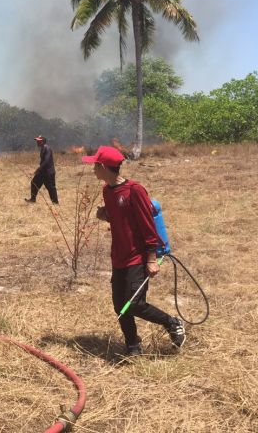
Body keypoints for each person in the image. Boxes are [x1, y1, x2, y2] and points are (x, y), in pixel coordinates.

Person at [82, 145, 185, 355]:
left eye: (95, 165)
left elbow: (147, 227)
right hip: (118, 255)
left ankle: (172, 323)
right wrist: (105, 215)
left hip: (137, 256)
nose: (93, 169)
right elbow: (120, 218)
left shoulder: (134, 191)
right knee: (120, 305)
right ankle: (133, 346)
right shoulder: (107, 190)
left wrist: (151, 258)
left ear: (103, 167)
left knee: (134, 303)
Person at [25, 135, 58, 205]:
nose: (37, 142)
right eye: (37, 141)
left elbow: (46, 161)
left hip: (48, 172)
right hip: (43, 172)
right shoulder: (43, 148)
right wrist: (39, 169)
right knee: (34, 183)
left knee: (51, 187)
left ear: (42, 142)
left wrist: (39, 169)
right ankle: (33, 199)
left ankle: (55, 203)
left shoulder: (47, 148)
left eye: (38, 141)